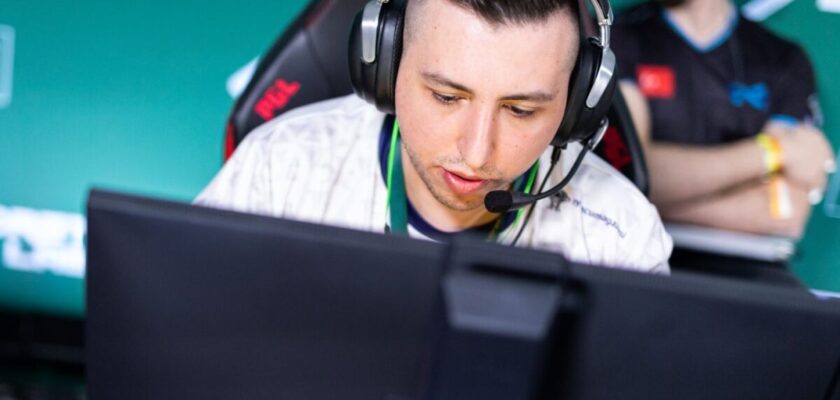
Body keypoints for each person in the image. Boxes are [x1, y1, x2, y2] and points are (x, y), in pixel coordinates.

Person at [196, 0, 672, 273]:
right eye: (446, 97)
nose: (477, 153)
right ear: (385, 70)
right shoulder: (276, 172)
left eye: (521, 110)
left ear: (576, 107)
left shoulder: (620, 236)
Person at [613, 0, 836, 239]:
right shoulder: (614, 37)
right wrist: (774, 152)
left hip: (743, 258)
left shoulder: (784, 59)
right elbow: (631, 176)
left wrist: (647, 202)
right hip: (629, 249)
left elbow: (785, 211)